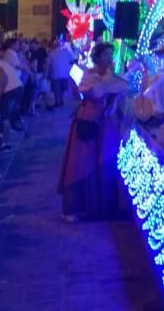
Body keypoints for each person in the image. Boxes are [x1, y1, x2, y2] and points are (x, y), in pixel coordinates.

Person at [58, 43, 128, 222]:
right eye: (106, 55)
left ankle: (101, 208)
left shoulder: (109, 76)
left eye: (111, 55)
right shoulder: (89, 75)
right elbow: (96, 93)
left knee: (104, 159)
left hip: (105, 123)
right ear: (97, 57)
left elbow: (123, 86)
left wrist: (110, 80)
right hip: (88, 121)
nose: (109, 59)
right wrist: (108, 81)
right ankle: (76, 207)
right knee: (82, 162)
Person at [47, 38, 75, 108]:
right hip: (65, 74)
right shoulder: (66, 52)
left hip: (55, 74)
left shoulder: (51, 53)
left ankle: (57, 102)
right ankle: (61, 100)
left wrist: (47, 73)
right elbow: (72, 60)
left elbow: (48, 64)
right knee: (62, 89)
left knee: (56, 89)